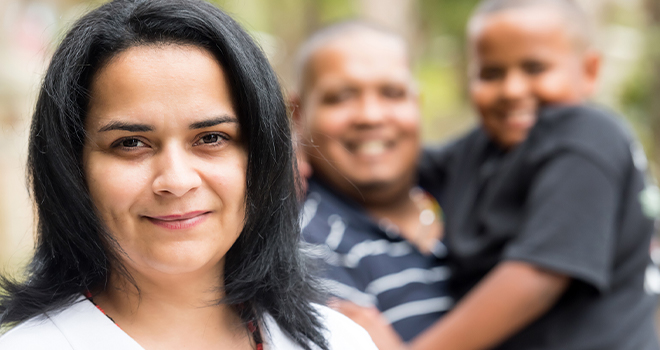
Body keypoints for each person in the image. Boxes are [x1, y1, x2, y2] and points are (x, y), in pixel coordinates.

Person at [0, 1, 378, 349]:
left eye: (211, 138)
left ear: (262, 156)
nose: (177, 181)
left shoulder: (340, 341)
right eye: (131, 143)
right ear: (71, 166)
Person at [410, 0, 660, 349]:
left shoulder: (587, 137)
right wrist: (315, 156)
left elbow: (539, 275)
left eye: (535, 68)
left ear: (589, 71)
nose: (512, 90)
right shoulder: (483, 147)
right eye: (490, 74)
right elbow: (406, 165)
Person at [292, 22, 452, 349]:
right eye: (340, 97)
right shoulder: (306, 243)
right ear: (298, 114)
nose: (371, 115)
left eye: (393, 93)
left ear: (416, 103)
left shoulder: (464, 190)